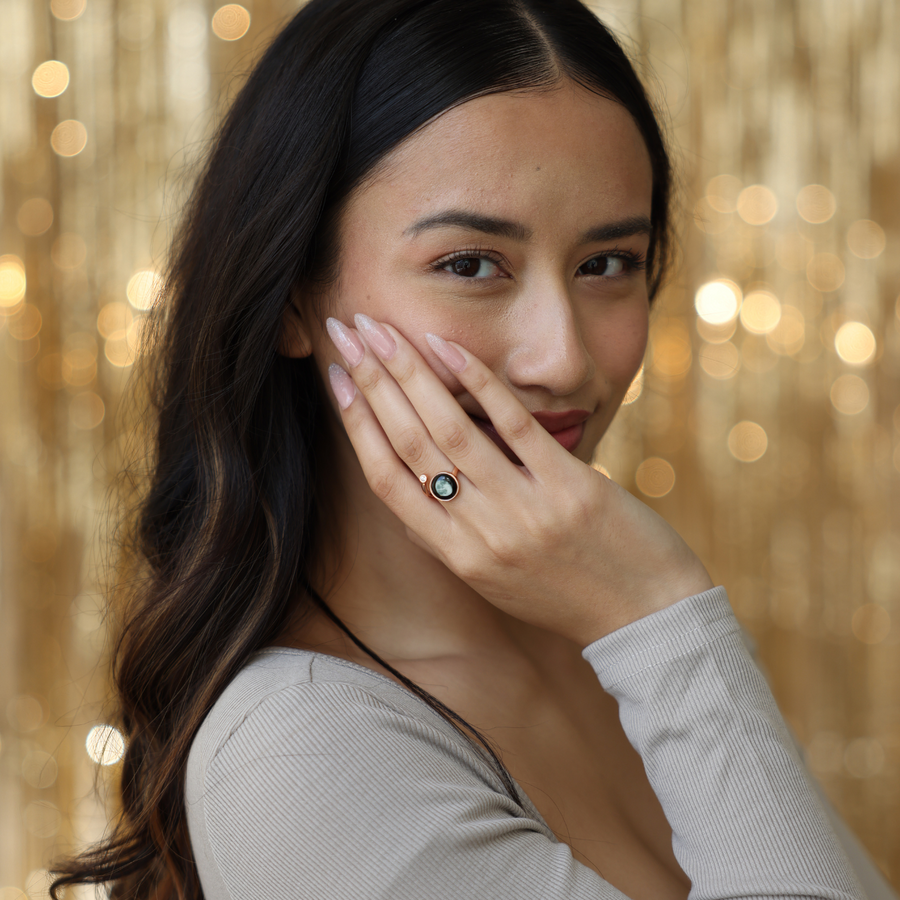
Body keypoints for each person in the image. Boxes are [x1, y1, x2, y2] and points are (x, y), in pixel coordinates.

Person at [51, 1, 896, 898]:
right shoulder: (305, 749)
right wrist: (662, 613)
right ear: (293, 295)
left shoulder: (610, 641)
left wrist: (653, 626)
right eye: (470, 265)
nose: (562, 358)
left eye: (606, 263)